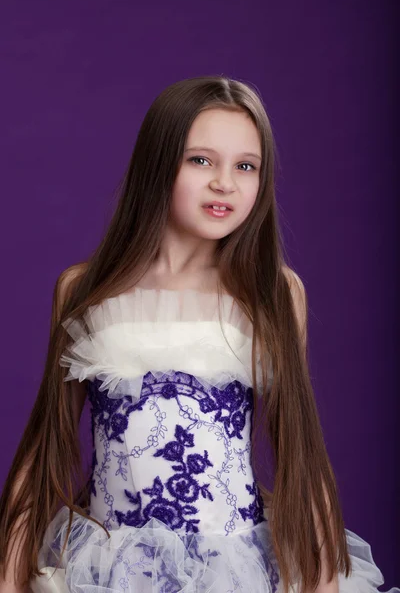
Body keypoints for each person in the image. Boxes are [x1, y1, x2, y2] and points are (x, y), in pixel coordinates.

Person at [0, 76, 397, 593]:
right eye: (201, 160)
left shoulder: (275, 294)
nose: (225, 184)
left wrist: (322, 581)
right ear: (159, 163)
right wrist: (8, 576)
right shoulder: (84, 290)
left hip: (235, 572)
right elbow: (44, 449)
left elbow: (302, 453)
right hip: (109, 570)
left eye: (246, 166)